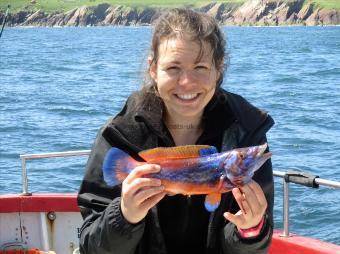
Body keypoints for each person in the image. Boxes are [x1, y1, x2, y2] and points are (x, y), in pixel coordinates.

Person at [77, 8, 274, 254]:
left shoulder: (247, 131)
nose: (186, 82)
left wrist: (250, 229)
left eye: (200, 67)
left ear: (218, 68)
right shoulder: (119, 136)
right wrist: (125, 215)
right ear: (153, 69)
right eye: (173, 68)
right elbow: (90, 245)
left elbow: (252, 247)